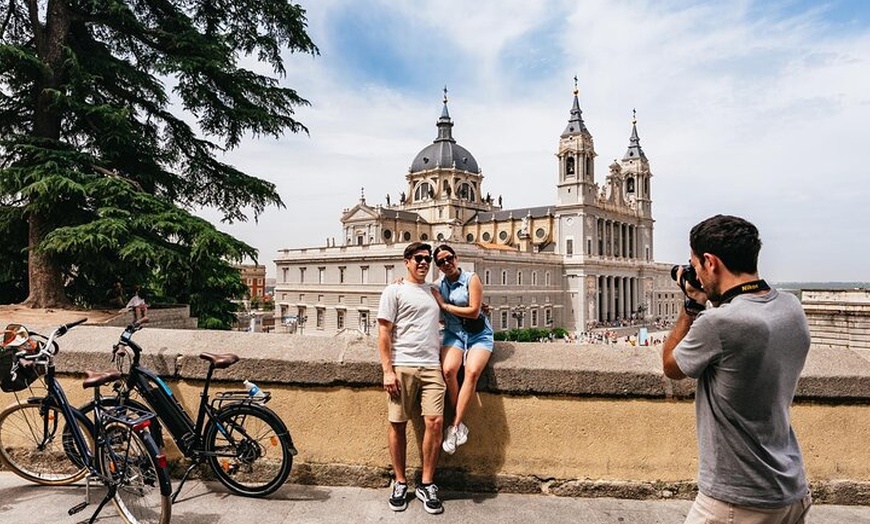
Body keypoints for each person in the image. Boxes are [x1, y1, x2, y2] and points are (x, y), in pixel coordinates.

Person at [661, 215, 812, 523]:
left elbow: (671, 366)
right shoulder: (790, 308)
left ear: (710, 261)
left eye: (696, 266)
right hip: (791, 490)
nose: (697, 276)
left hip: (737, 500)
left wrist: (691, 306)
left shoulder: (719, 324)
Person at [377, 242, 446, 515]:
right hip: (402, 365)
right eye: (418, 258)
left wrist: (481, 308)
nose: (423, 263)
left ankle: (427, 483)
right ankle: (400, 481)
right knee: (397, 424)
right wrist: (387, 370)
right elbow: (384, 333)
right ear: (406, 261)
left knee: (435, 422)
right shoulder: (393, 290)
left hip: (431, 367)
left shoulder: (435, 291)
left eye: (427, 259)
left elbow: (460, 299)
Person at [430, 244, 494, 455]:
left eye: (448, 258)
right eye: (440, 262)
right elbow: (418, 287)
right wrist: (398, 282)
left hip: (478, 334)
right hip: (454, 333)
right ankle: (460, 424)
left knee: (472, 372)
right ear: (438, 266)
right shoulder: (438, 286)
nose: (446, 263)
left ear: (456, 258)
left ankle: (456, 425)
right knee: (448, 371)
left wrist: (445, 306)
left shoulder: (471, 278)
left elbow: (474, 311)